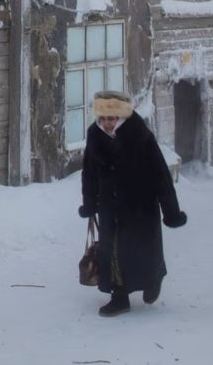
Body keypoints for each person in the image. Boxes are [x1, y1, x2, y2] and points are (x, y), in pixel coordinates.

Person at [78, 89, 187, 317]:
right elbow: (89, 173)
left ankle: (153, 280)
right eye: (104, 118)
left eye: (112, 118)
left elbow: (160, 174)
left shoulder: (140, 135)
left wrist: (171, 211)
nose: (107, 123)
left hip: (140, 205)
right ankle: (119, 299)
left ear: (121, 117)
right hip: (110, 207)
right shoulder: (95, 135)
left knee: (142, 251)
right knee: (113, 252)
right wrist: (90, 204)